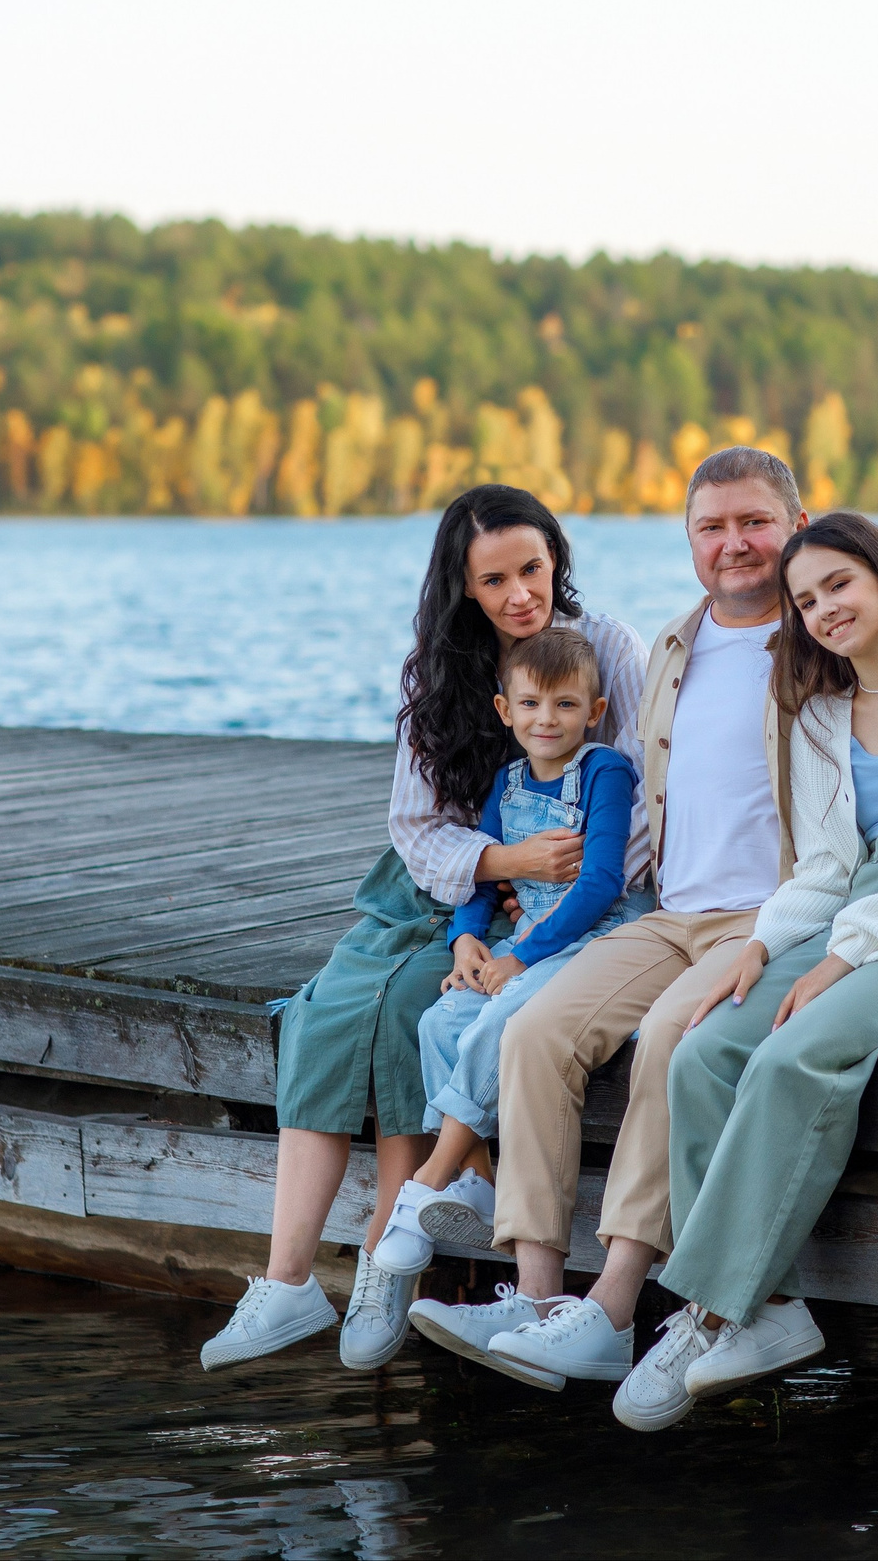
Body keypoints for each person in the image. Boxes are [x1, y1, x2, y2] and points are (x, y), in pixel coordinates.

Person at [404, 450, 878, 1408]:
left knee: (682, 1039)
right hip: (676, 906)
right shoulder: (660, 651)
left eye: (755, 522)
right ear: (688, 541)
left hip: (787, 910)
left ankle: (636, 1302)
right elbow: (577, 756)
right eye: (711, 527)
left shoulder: (833, 656)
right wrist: (505, 882)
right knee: (536, 1028)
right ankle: (543, 1306)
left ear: (797, 524)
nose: (734, 544)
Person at [200, 486, 647, 1373]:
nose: (522, 593)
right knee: (329, 1008)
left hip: (561, 897)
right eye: (496, 579)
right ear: (463, 586)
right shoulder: (440, 670)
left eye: (533, 568)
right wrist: (506, 872)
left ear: (557, 557)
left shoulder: (610, 651)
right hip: (449, 887)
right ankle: (287, 1280)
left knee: (413, 1006)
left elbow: (638, 800)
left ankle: (385, 1260)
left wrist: (551, 890)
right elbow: (417, 825)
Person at [615, 511, 878, 1427]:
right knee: (705, 1045)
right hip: (848, 912)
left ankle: (707, 1310)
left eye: (838, 586)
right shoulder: (819, 711)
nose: (823, 609)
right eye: (805, 601)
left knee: (790, 1055)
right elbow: (821, 867)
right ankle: (764, 1313)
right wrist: (765, 947)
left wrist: (842, 960)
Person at [371, 627, 651, 1276]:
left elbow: (604, 882)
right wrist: (465, 937)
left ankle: (429, 1182)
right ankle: (478, 1176)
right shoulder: (508, 779)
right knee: (440, 1019)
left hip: (597, 939)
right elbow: (487, 877)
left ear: (596, 711)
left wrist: (518, 959)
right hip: (531, 941)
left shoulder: (605, 770)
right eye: (529, 704)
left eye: (565, 705)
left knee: (505, 1018)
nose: (546, 720)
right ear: (505, 710)